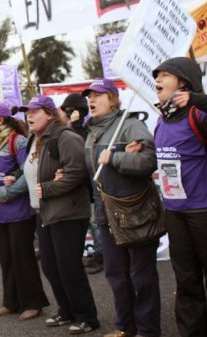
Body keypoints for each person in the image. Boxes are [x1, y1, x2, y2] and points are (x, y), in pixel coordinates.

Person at [82, 78, 160, 337]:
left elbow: (148, 160)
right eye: (89, 96)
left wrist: (116, 157)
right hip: (106, 213)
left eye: (98, 95)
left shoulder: (130, 125)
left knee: (141, 276)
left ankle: (148, 330)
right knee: (116, 275)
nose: (91, 100)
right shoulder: (92, 132)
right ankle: (124, 326)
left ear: (113, 99)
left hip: (133, 212)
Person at [21, 95, 99, 334]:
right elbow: (33, 170)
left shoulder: (66, 137)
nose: (29, 116)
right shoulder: (33, 140)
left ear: (50, 114)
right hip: (43, 211)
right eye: (28, 112)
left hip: (68, 211)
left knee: (69, 267)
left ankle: (87, 316)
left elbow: (77, 173)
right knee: (51, 267)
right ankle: (66, 310)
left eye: (35, 111)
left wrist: (48, 187)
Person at [0, 102, 49, 320]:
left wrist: (9, 191)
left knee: (22, 258)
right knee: (6, 258)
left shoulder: (17, 140)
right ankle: (11, 300)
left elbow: (28, 173)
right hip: (0, 211)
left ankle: (33, 302)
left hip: (18, 209)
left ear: (1, 120)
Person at [153, 57, 207, 337]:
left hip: (203, 211)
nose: (157, 80)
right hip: (175, 212)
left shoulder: (198, 114)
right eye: (156, 76)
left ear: (183, 82)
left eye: (165, 75)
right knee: (186, 281)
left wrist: (199, 100)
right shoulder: (162, 120)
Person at [60, 93, 103, 275]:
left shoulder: (86, 128)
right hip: (78, 187)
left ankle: (101, 256)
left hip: (91, 185)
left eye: (70, 111)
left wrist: (76, 124)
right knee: (86, 223)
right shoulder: (67, 128)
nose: (67, 114)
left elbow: (81, 147)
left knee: (95, 223)